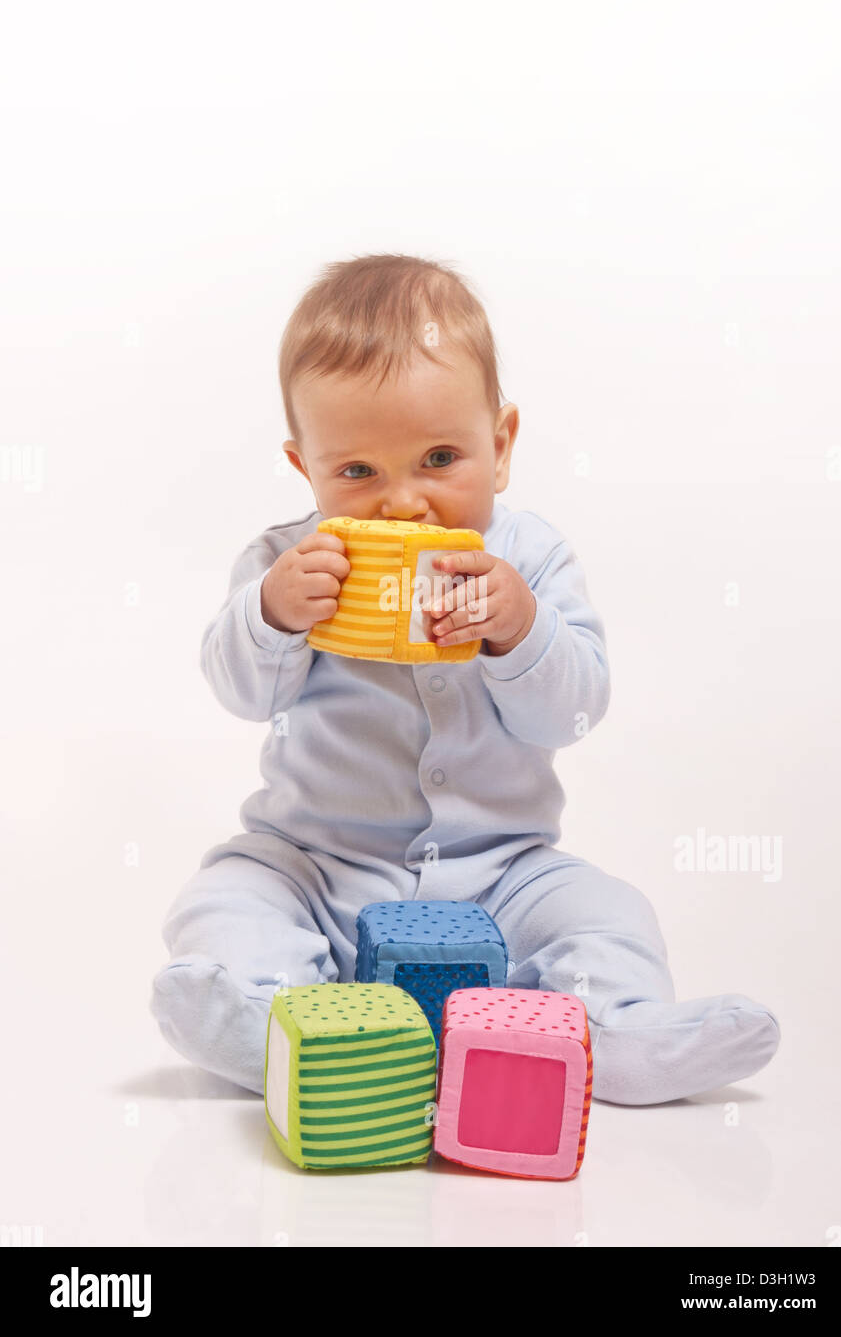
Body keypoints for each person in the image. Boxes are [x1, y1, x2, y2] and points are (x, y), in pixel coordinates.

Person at [150, 253, 780, 1105]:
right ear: (307, 470)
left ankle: (611, 1029)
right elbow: (239, 692)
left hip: (503, 870)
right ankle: (274, 1017)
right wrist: (271, 614)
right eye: (357, 473)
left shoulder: (530, 559)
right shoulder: (286, 562)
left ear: (503, 443)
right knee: (225, 894)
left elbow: (577, 710)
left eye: (440, 458)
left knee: (608, 909)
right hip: (317, 861)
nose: (403, 505)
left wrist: (520, 629)